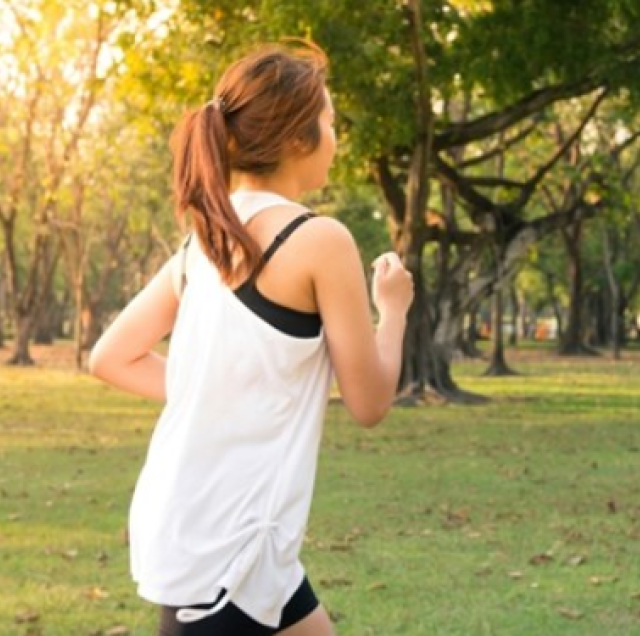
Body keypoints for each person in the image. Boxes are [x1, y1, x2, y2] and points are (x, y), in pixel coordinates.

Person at [89, 41, 413, 636]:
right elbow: (370, 403)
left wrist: (218, 390)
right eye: (330, 122)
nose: (336, 138)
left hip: (222, 535)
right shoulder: (320, 240)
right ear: (297, 137)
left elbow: (110, 357)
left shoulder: (202, 243)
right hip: (226, 553)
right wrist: (392, 311)